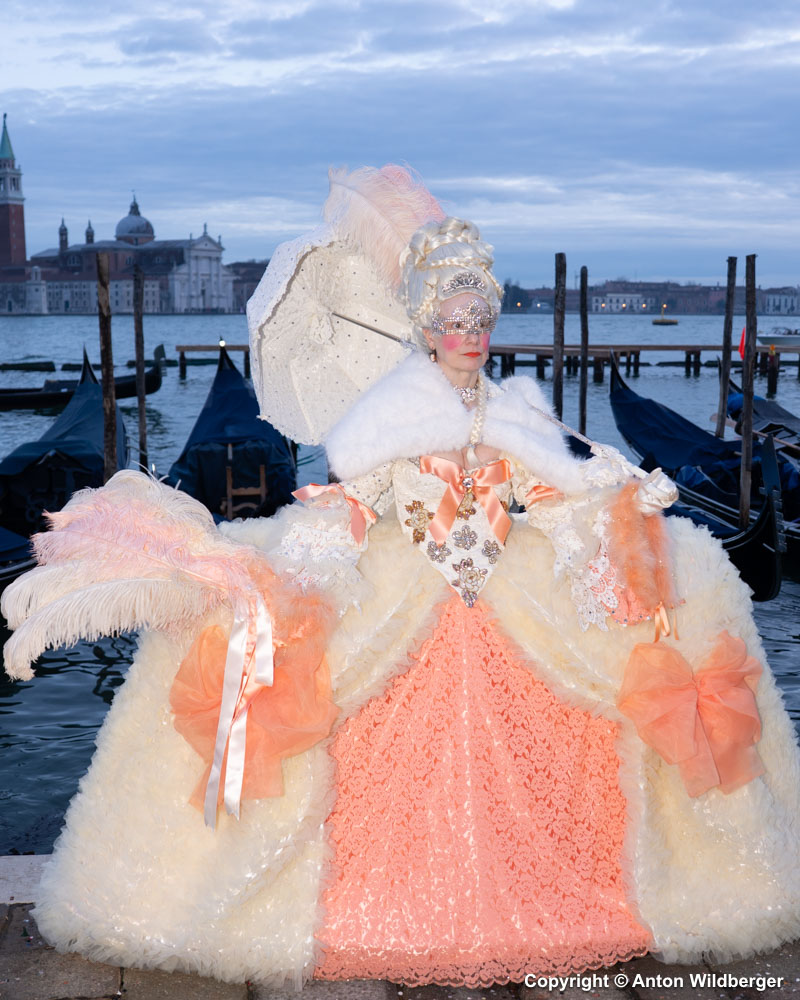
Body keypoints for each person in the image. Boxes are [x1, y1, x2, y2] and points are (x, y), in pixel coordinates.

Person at [3, 166, 800, 991]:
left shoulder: (517, 409)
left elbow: (548, 497)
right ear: (429, 329)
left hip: (504, 595)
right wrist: (304, 559)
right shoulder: (390, 415)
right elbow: (358, 501)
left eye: (481, 322)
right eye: (456, 324)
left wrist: (616, 499)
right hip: (411, 590)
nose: (472, 337)